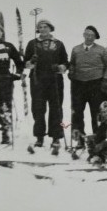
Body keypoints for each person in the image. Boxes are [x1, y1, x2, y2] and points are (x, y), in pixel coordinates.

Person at [24, 19, 69, 154]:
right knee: (38, 108)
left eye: (45, 27)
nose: (43, 29)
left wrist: (61, 67)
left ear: (50, 28)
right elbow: (25, 62)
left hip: (54, 80)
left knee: (56, 107)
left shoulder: (58, 44)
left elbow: (65, 61)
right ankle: (39, 136)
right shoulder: (32, 43)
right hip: (37, 79)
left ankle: (56, 137)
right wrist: (31, 62)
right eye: (40, 27)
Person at [68, 25, 107, 147]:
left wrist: (105, 79)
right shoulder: (76, 49)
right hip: (78, 84)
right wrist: (71, 71)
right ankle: (79, 139)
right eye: (86, 34)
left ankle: (98, 137)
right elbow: (72, 63)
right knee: (77, 112)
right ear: (83, 35)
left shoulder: (102, 50)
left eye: (91, 35)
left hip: (96, 84)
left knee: (97, 112)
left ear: (95, 37)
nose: (88, 37)